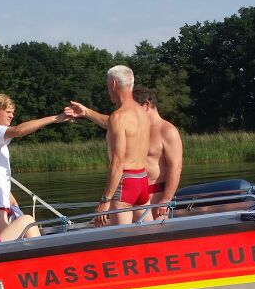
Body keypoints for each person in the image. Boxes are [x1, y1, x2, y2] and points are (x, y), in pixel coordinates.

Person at [66, 84, 183, 220]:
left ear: (146, 105)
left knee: (151, 234)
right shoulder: (134, 124)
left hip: (154, 195)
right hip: (129, 190)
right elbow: (108, 121)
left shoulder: (167, 131)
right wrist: (85, 112)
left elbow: (175, 167)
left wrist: (166, 199)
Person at [0, 93, 65, 238]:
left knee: (19, 236)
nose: (11, 116)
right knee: (6, 247)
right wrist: (55, 118)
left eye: (13, 113)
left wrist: (8, 195)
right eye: (8, 112)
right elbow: (19, 131)